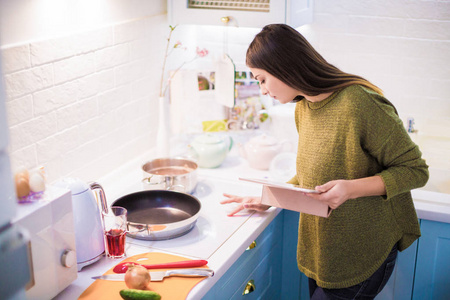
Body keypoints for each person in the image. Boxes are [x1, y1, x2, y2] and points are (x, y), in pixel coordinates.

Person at [220, 24, 429, 300]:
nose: (262, 90)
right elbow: (312, 176)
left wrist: (350, 189)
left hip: (361, 253)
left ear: (285, 68)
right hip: (323, 252)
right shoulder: (304, 107)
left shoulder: (359, 104)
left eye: (262, 79)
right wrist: (270, 197)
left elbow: (416, 171)